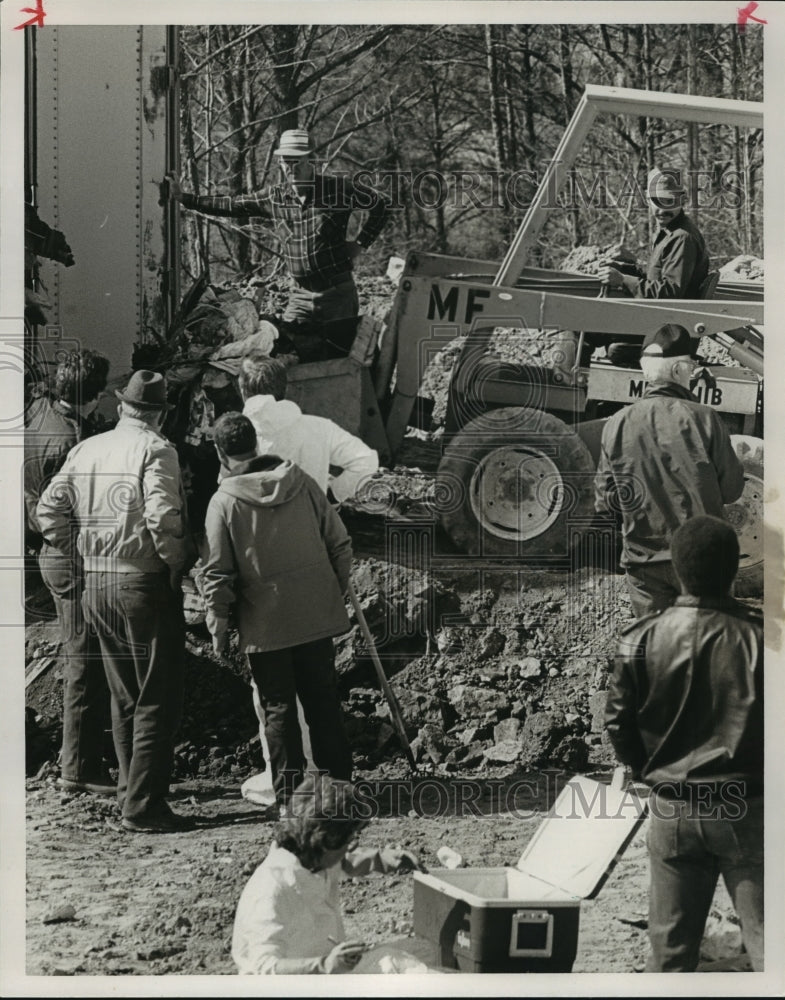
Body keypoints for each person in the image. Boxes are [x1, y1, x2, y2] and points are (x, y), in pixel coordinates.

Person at [37, 370, 194, 833]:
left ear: (123, 406)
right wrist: (175, 563)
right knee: (155, 693)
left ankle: (131, 793)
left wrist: (75, 547)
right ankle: (144, 805)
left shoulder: (87, 448)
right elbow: (163, 515)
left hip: (96, 584)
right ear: (161, 412)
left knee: (124, 693)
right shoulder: (157, 449)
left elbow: (49, 509)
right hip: (139, 582)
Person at [604, 515, 763, 972]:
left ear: (676, 569)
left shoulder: (641, 638)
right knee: (771, 951)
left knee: (670, 956)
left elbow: (617, 723)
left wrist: (649, 775)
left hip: (672, 810)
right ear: (734, 570)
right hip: (747, 810)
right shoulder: (762, 639)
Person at [201, 412, 354, 808]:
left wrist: (218, 627)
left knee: (279, 708)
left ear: (221, 453)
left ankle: (291, 801)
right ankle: (340, 790)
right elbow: (339, 542)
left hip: (267, 624)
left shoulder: (224, 503)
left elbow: (217, 573)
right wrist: (330, 590)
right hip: (316, 615)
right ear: (257, 444)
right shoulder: (301, 482)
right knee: (323, 700)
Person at [169, 128, 391, 361]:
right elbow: (232, 204)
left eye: (297, 161)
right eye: (286, 162)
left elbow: (381, 205)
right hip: (300, 296)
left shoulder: (337, 189)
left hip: (337, 295)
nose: (291, 168)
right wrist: (184, 198)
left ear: (311, 160)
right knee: (289, 354)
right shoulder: (275, 197)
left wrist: (361, 243)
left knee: (340, 363)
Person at [594, 323, 744, 619]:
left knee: (659, 654)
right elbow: (732, 490)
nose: (692, 373)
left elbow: (605, 500)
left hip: (644, 565)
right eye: (690, 366)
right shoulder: (705, 419)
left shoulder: (617, 423)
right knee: (709, 651)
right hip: (702, 562)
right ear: (678, 371)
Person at [26, 349, 114, 795]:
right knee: (84, 660)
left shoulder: (41, 413)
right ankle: (77, 769)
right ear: (93, 398)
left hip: (49, 552)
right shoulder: (69, 443)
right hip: (67, 556)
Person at [232, 773, 424, 974]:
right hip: (299, 984)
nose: (353, 845)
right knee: (397, 964)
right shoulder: (272, 889)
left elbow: (345, 862)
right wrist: (324, 965)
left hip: (328, 969)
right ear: (325, 842)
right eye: (348, 840)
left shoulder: (312, 858)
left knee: (421, 950)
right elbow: (262, 969)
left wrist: (381, 858)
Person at [597, 167, 710, 367]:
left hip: (666, 330)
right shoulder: (669, 232)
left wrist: (623, 280)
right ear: (649, 202)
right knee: (594, 320)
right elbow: (656, 275)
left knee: (588, 322)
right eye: (656, 202)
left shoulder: (682, 238)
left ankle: (568, 384)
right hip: (657, 318)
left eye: (669, 202)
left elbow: (669, 293)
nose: (662, 209)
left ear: (680, 202)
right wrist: (626, 267)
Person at [237, 351, 379, 502]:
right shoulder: (321, 427)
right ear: (285, 389)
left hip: (257, 522)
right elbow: (366, 460)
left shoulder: (235, 436)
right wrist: (334, 494)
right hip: (310, 518)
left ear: (243, 392)